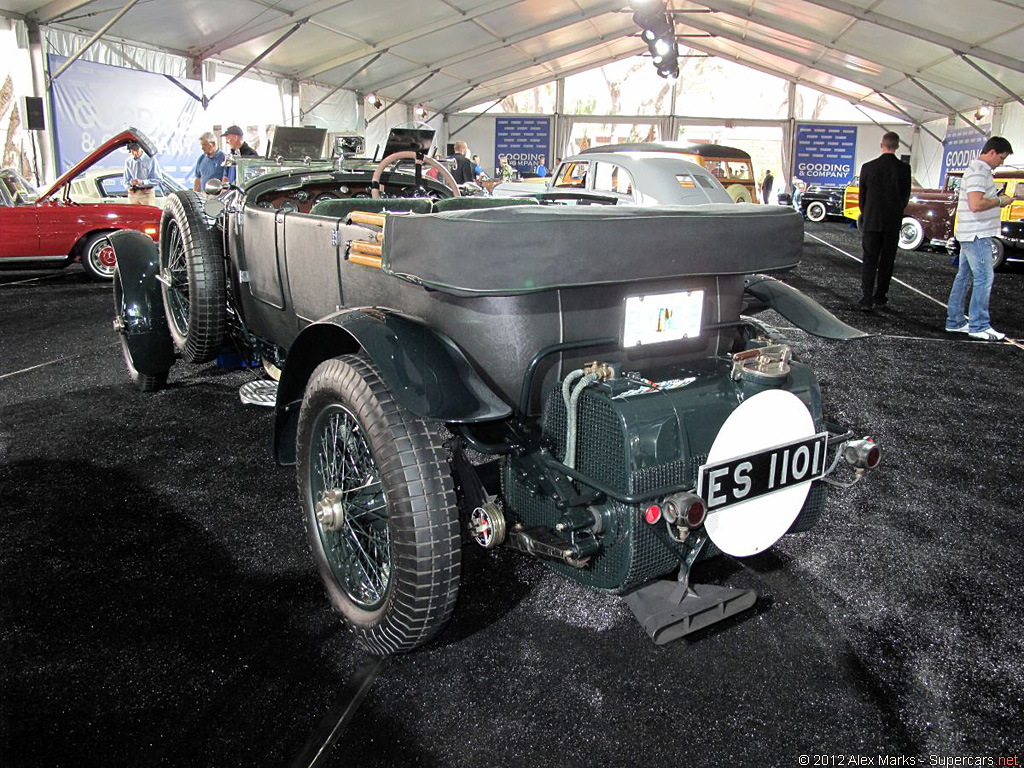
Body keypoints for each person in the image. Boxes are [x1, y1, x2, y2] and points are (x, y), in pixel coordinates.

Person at [945, 136, 1015, 341]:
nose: (1000, 163)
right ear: (992, 152)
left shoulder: (975, 170)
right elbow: (976, 204)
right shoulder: (980, 171)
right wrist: (1000, 201)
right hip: (977, 233)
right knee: (984, 278)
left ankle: (956, 321)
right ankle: (978, 324)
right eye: (1001, 158)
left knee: (964, 277)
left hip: (970, 232)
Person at [856, 132, 912, 311]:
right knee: (887, 260)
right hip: (892, 221)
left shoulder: (868, 167)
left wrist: (867, 213)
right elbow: (905, 197)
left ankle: (866, 298)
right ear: (896, 146)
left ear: (882, 145)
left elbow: (862, 198)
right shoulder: (904, 169)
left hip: (872, 221)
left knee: (869, 259)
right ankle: (880, 296)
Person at [123, 141, 162, 206]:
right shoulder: (128, 161)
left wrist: (142, 182)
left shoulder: (151, 159)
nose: (135, 153)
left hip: (147, 193)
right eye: (133, 151)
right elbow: (126, 180)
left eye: (137, 150)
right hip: (133, 193)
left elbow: (158, 180)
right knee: (132, 215)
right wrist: (128, 187)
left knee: (148, 214)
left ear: (141, 148)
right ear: (130, 151)